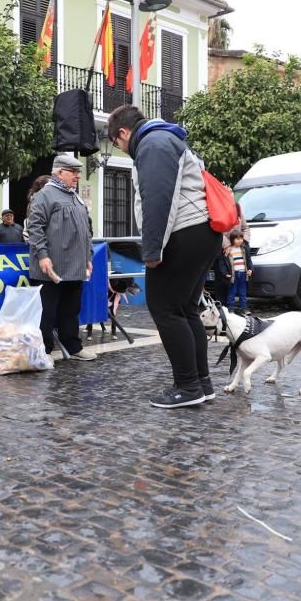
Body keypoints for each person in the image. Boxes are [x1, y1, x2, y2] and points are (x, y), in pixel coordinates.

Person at [108, 105, 221, 409]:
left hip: (184, 232)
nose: (122, 149)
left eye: (117, 144)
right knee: (184, 309)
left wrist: (152, 249)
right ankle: (201, 383)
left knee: (164, 308)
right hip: (201, 232)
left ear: (123, 132)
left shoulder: (152, 144)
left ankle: (187, 386)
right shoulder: (169, 140)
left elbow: (159, 199)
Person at [26, 154, 96, 362]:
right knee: (46, 313)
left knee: (70, 310)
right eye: (73, 172)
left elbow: (86, 230)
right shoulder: (44, 195)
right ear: (59, 172)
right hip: (51, 267)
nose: (77, 176)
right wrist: (42, 256)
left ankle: (72, 346)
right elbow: (35, 227)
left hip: (75, 266)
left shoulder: (75, 196)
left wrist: (88, 256)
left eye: (78, 172)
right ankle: (43, 351)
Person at [226, 230, 253, 311]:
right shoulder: (228, 250)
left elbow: (249, 260)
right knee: (232, 292)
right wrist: (225, 273)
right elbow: (223, 263)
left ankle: (244, 308)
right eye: (237, 239)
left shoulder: (244, 249)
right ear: (232, 240)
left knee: (243, 292)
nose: (240, 240)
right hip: (233, 275)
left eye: (241, 238)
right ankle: (230, 308)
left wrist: (250, 269)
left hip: (243, 274)